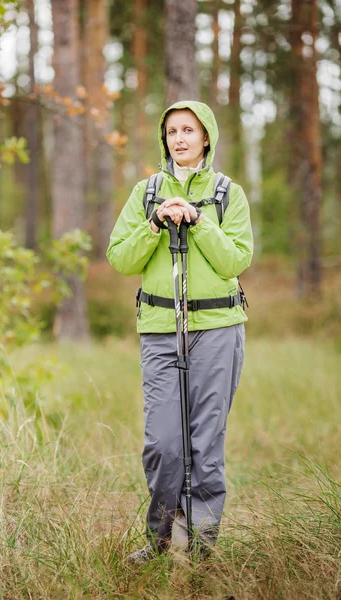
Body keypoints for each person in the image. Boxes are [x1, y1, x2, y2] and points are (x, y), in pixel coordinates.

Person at [106, 100, 253, 564]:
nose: (180, 138)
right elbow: (121, 258)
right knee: (164, 444)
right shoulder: (146, 192)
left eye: (189, 130)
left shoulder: (229, 193)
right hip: (159, 329)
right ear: (164, 139)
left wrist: (199, 220)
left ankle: (201, 548)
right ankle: (162, 540)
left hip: (217, 329)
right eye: (172, 131)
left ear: (206, 137)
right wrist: (155, 223)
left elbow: (236, 261)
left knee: (205, 444)